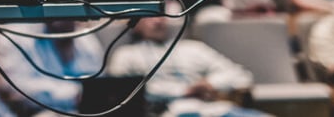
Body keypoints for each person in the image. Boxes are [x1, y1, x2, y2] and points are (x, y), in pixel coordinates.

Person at [105, 15, 269, 117]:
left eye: (161, 16)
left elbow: (240, 75)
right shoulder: (126, 54)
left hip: (211, 110)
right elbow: (120, 93)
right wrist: (184, 91)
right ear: (135, 23)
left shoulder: (192, 49)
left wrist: (210, 84)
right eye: (149, 16)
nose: (158, 21)